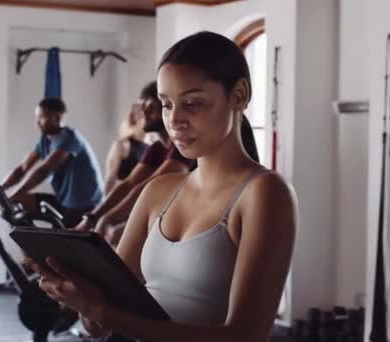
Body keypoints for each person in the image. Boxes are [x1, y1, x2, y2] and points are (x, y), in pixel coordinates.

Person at [28, 31, 297, 342]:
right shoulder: (159, 190)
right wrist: (77, 290)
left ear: (238, 95)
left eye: (193, 103)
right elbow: (98, 327)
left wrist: (101, 311)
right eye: (167, 105)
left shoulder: (264, 193)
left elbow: (245, 336)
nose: (175, 120)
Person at [74, 81, 196, 236]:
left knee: (116, 232)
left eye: (151, 107)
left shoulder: (182, 146)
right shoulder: (157, 149)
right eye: (143, 106)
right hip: (162, 213)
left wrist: (107, 219)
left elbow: (149, 186)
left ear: (167, 109)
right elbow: (129, 184)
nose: (144, 112)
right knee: (113, 231)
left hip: (186, 216)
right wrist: (92, 218)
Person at [0, 97, 104, 228]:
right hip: (64, 202)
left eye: (42, 117)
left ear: (57, 118)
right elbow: (22, 168)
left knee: (61, 243)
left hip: (84, 206)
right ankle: (30, 246)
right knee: (17, 202)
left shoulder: (70, 138)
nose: (38, 122)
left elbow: (43, 171)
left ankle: (38, 247)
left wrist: (12, 194)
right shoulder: (45, 140)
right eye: (37, 117)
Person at [104, 103, 149, 194]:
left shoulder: (151, 147)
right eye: (143, 115)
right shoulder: (122, 145)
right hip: (123, 201)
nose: (149, 118)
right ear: (134, 118)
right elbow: (110, 181)